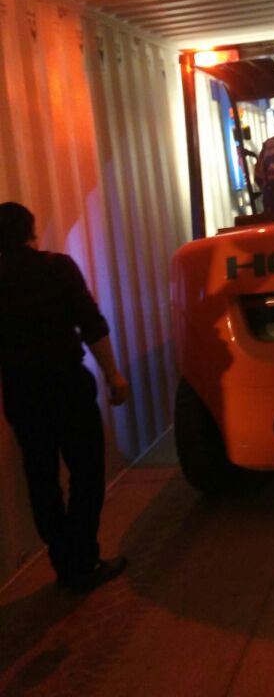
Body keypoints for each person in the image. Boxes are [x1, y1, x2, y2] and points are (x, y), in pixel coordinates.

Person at [0, 202, 130, 592]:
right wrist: (113, 374)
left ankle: (64, 562)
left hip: (21, 390)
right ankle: (83, 558)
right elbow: (91, 324)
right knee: (87, 472)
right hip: (66, 385)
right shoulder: (56, 267)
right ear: (31, 230)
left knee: (41, 478)